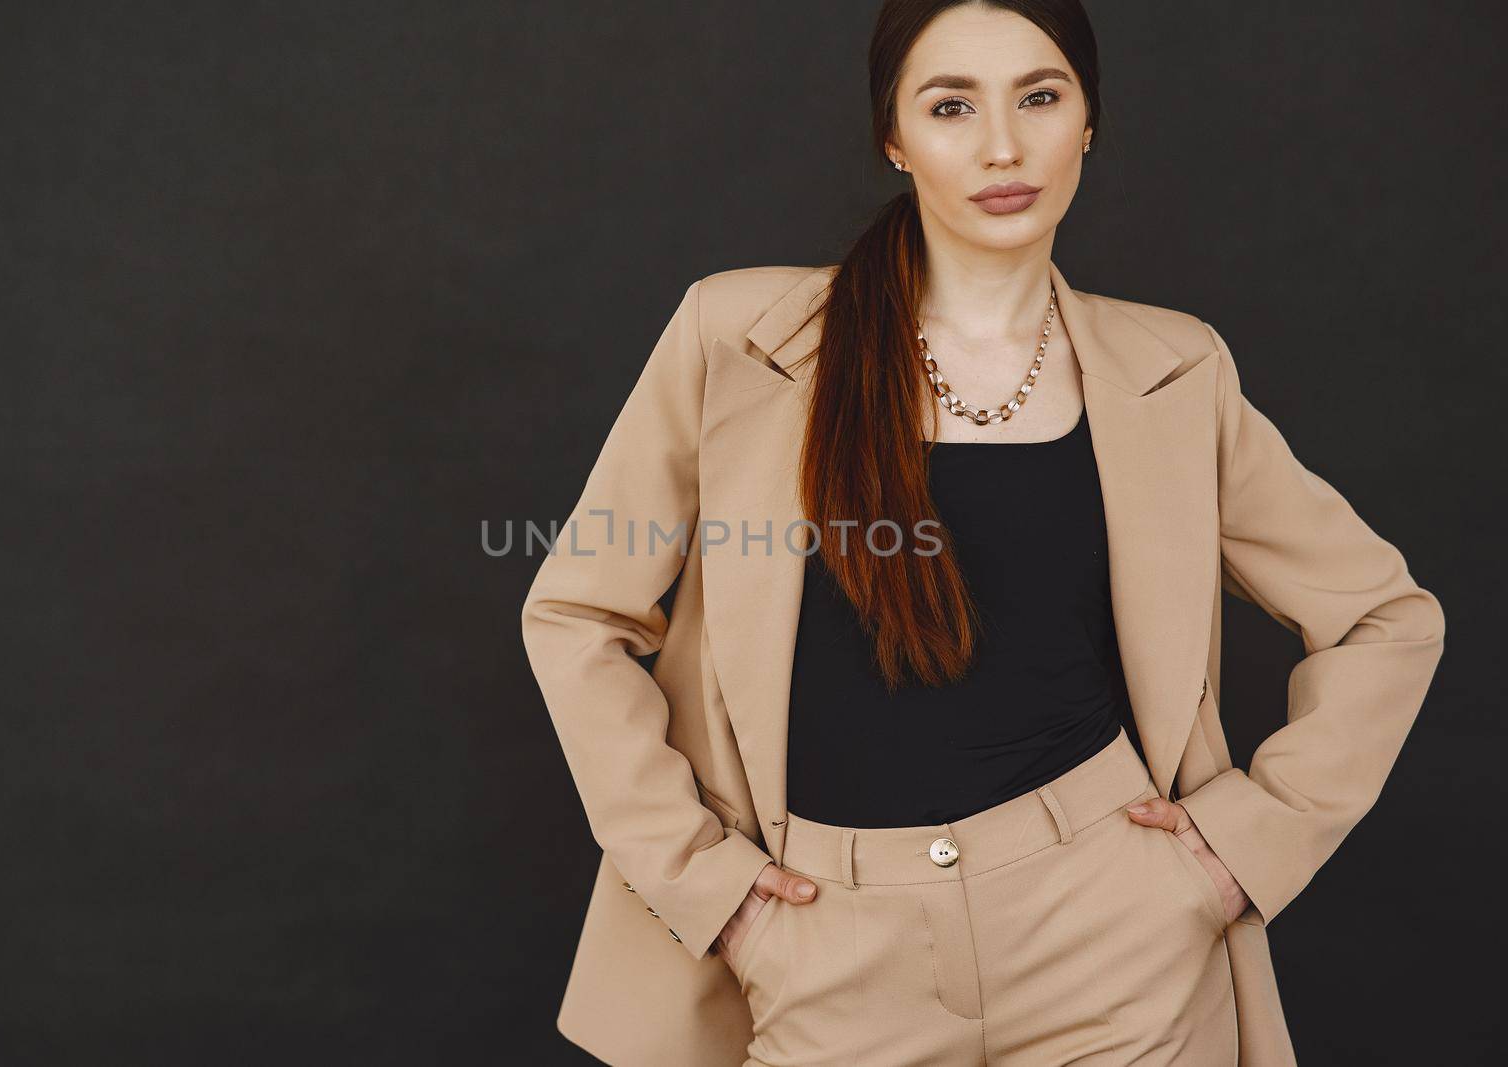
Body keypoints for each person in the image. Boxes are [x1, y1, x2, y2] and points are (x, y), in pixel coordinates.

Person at [520, 2, 1445, 1064]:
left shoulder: (1172, 370)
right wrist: (707, 886)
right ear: (892, 137)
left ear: (1087, 122)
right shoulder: (739, 339)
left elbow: (1383, 615)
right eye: (950, 105)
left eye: (1040, 98)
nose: (1002, 146)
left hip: (1115, 940)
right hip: (826, 942)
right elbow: (579, 613)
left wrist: (1237, 848)